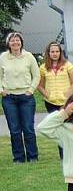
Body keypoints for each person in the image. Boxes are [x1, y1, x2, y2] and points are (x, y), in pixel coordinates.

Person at [0, 32, 40, 163]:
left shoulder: (28, 57)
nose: (15, 43)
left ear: (21, 42)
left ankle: (33, 156)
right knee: (14, 130)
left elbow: (36, 76)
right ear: (8, 43)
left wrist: (31, 90)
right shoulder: (3, 57)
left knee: (28, 128)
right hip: (9, 98)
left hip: (26, 97)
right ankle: (18, 158)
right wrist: (1, 90)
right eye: (12, 41)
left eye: (17, 40)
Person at [36, 41, 73, 160]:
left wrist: (67, 95)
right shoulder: (43, 68)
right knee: (58, 127)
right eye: (52, 52)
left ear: (60, 53)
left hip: (65, 102)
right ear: (48, 53)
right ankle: (62, 154)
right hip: (51, 102)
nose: (54, 54)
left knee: (68, 127)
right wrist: (47, 94)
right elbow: (39, 85)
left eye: (57, 51)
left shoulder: (68, 65)